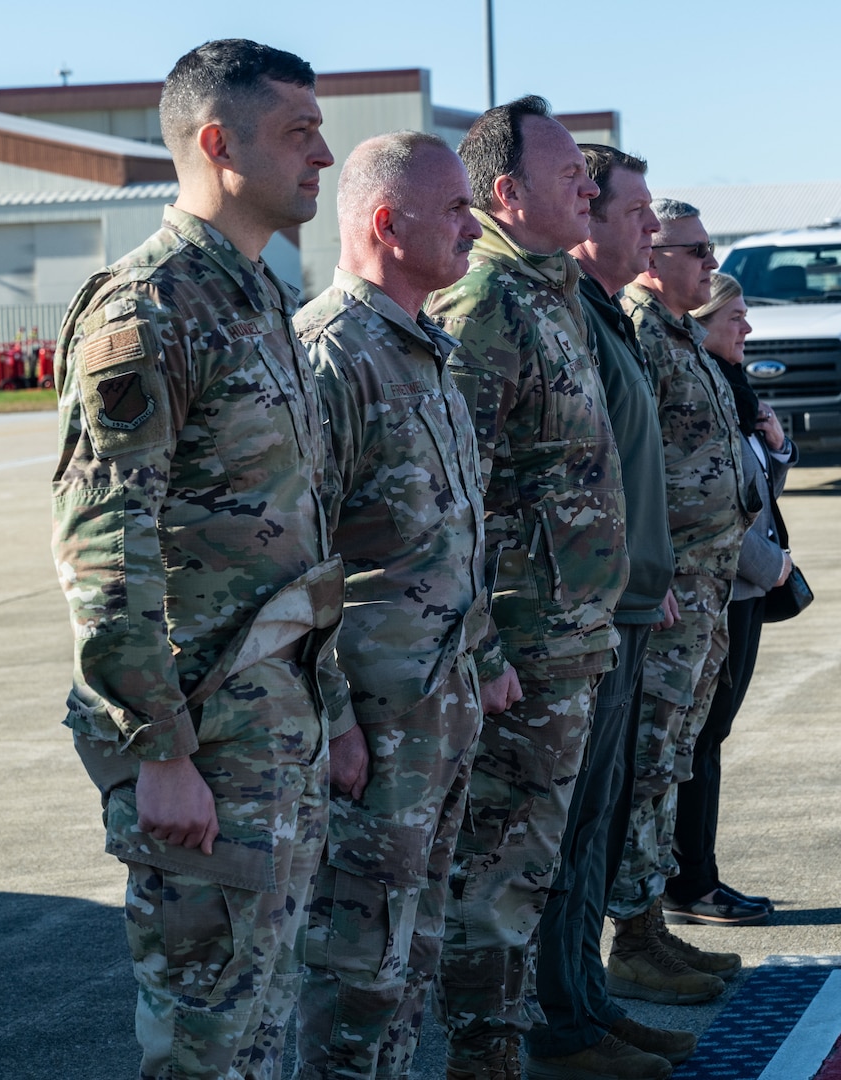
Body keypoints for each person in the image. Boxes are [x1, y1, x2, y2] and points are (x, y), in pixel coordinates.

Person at [50, 39, 338, 1079]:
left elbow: (296, 537)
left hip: (275, 729)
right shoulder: (149, 309)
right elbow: (103, 543)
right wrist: (158, 749)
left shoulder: (257, 297)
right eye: (299, 133)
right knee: (206, 1041)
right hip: (203, 742)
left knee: (262, 1024)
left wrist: (330, 708)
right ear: (220, 145)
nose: (325, 154)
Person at [424, 96, 629, 1080]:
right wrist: (490, 647)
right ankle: (488, 1061)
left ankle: (534, 1042)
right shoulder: (483, 306)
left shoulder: (547, 293)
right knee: (498, 877)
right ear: (505, 194)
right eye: (567, 177)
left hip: (571, 636)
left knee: (536, 865)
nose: (586, 186)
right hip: (521, 650)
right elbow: (453, 497)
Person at [292, 132, 491, 1079]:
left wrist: (481, 663)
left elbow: (453, 532)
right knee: (357, 970)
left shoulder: (424, 348)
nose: (473, 224)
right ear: (386, 223)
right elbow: (299, 561)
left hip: (437, 707)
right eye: (455, 209)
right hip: (372, 725)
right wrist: (333, 722)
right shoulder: (332, 357)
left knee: (415, 952)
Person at [526, 145, 690, 1080]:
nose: (648, 229)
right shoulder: (558, 313)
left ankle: (588, 1004)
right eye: (631, 210)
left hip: (620, 605)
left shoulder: (596, 315)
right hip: (572, 616)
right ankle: (564, 1023)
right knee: (562, 827)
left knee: (596, 821)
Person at [606, 200, 754, 1003]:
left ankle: (653, 925)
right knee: (651, 758)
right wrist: (644, 577)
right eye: (695, 250)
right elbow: (627, 465)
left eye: (710, 249)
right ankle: (633, 937)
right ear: (652, 256)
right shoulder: (635, 330)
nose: (708, 263)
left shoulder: (675, 332)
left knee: (677, 754)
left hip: (706, 582)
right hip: (668, 591)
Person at [665, 272, 791, 927]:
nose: (747, 327)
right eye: (736, 315)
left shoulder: (730, 385)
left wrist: (778, 443)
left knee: (713, 735)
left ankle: (695, 877)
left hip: (743, 587)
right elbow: (703, 501)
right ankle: (691, 883)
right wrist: (771, 566)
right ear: (704, 321)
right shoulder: (692, 383)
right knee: (701, 737)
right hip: (725, 585)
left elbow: (755, 482)